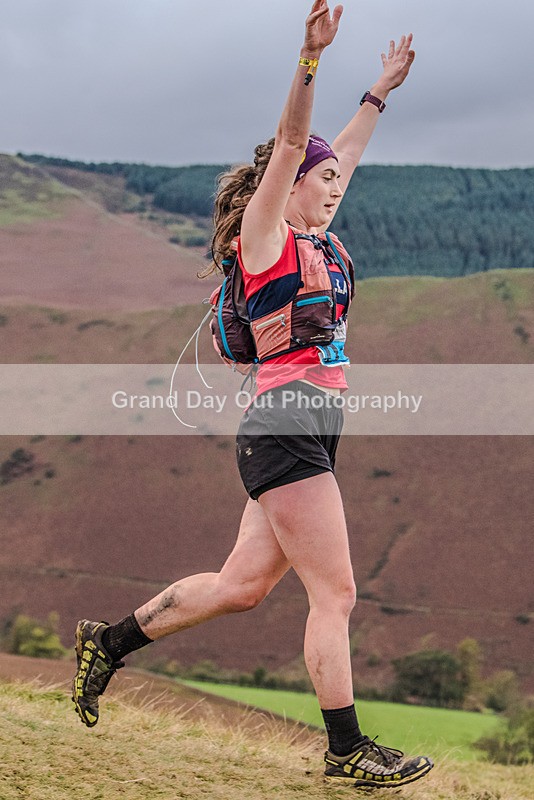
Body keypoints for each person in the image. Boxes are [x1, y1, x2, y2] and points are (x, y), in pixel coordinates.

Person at [72, 1, 433, 788]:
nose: (335, 188)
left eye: (339, 180)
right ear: (288, 181)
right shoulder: (267, 238)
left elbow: (342, 151)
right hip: (284, 427)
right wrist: (311, 62)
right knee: (336, 593)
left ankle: (111, 642)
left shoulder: (322, 236)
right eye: (322, 178)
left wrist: (378, 92)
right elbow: (301, 143)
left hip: (302, 428)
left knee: (239, 589)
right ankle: (345, 750)